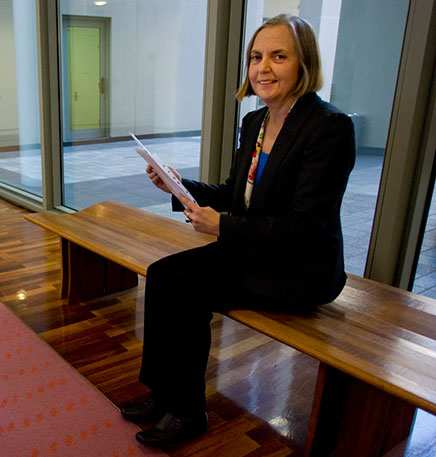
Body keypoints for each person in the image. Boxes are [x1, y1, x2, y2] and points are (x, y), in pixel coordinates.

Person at [119, 14, 355, 448]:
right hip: (256, 248)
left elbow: (305, 227)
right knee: (162, 274)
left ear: (304, 63)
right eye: (256, 57)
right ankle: (161, 393)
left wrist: (222, 227)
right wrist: (180, 184)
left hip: (300, 269)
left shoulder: (328, 128)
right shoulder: (256, 123)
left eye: (278, 56)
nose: (263, 68)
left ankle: (188, 412)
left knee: (187, 287)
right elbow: (235, 193)